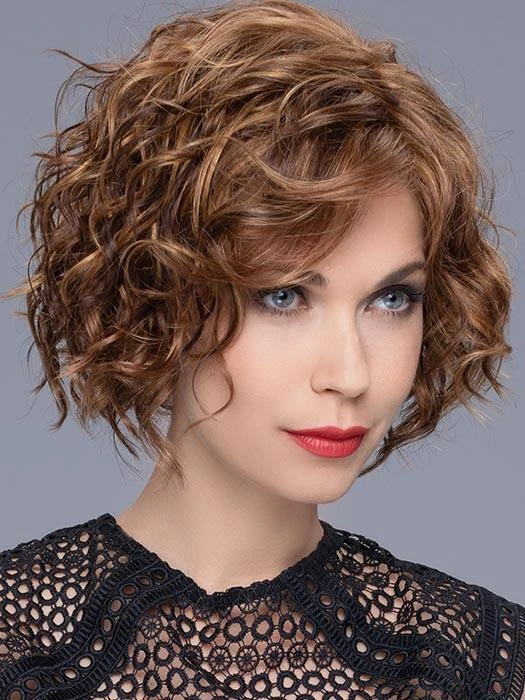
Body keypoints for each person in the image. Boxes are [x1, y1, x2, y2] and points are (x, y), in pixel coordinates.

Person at [0, 0, 523, 697]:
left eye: (392, 299)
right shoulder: (20, 645)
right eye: (282, 296)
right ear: (160, 294)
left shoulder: (478, 662)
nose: (350, 374)